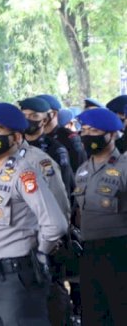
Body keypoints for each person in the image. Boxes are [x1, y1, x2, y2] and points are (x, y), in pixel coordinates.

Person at [0, 103, 68, 326]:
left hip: (18, 275)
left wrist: (40, 253)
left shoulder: (24, 172)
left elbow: (56, 224)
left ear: (16, 137)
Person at [72, 108, 127, 325]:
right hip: (89, 252)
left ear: (112, 135)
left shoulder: (123, 167)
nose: (87, 136)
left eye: (94, 131)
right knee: (94, 315)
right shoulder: (83, 171)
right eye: (84, 130)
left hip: (119, 251)